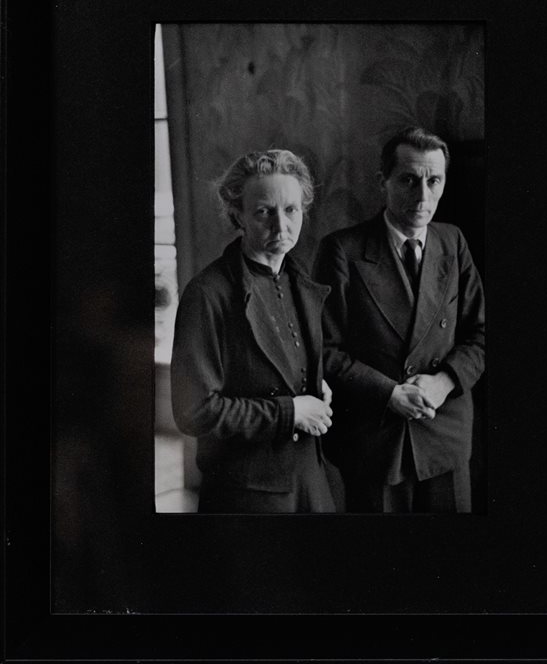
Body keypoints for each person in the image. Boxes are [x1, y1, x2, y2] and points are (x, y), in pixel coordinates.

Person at [314, 127, 485, 513]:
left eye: (434, 181)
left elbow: (480, 333)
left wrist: (443, 382)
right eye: (409, 180)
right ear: (384, 181)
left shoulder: (453, 242)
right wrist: (389, 394)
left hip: (444, 432)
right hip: (377, 440)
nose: (422, 196)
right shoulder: (342, 250)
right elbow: (324, 350)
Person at [171, 149, 338, 513]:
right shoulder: (208, 294)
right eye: (264, 212)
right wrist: (290, 412)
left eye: (291, 210)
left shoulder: (299, 281)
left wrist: (313, 380)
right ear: (238, 216)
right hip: (248, 494)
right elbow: (194, 410)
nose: (281, 226)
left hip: (309, 479)